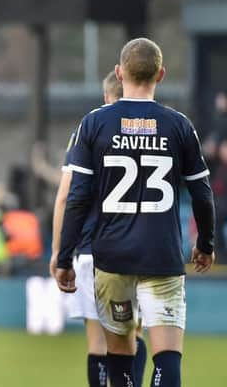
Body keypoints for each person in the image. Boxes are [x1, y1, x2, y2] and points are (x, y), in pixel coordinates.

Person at [56, 38, 216, 387]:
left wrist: (65, 256)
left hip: (112, 258)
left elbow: (77, 197)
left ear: (119, 72)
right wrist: (205, 242)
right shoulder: (179, 125)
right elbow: (202, 193)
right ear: (161, 74)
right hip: (161, 254)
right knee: (167, 356)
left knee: (120, 357)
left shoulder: (95, 123)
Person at [50, 71, 147, 386]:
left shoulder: (90, 127)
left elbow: (65, 196)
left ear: (107, 96)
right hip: (142, 248)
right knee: (135, 332)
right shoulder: (155, 125)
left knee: (98, 341)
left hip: (94, 250)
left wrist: (58, 252)